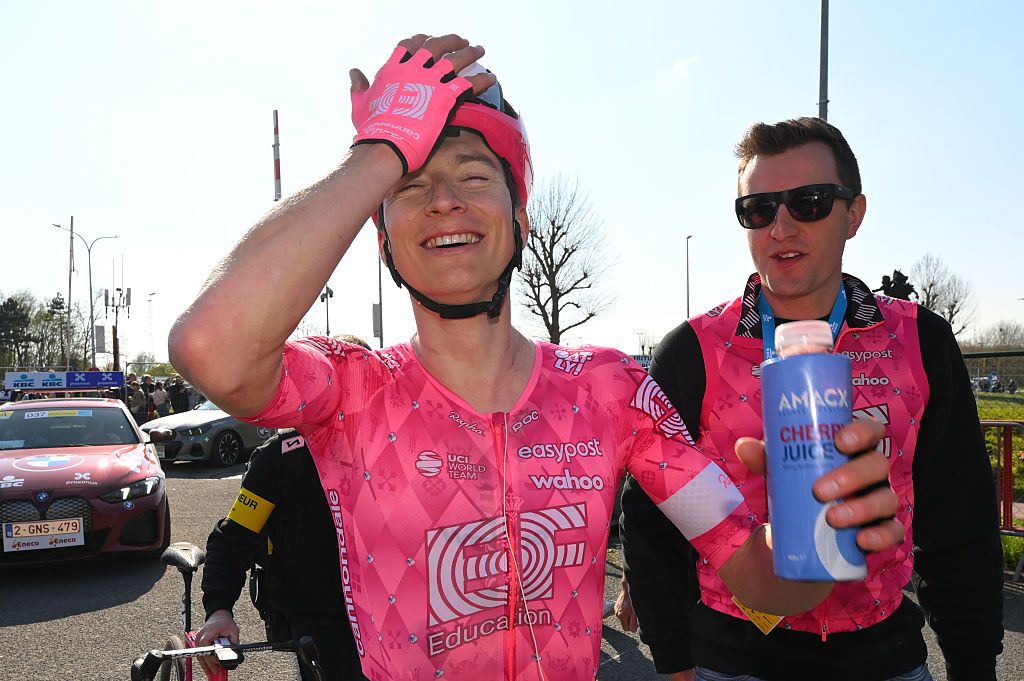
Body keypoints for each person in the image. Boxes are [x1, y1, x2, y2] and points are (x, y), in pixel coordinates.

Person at [169, 36, 900, 681]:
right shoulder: (352, 389)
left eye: (474, 175)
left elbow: (760, 576)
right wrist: (379, 151)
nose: (444, 200)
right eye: (410, 187)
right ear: (382, 237)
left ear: (521, 218)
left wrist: (819, 534)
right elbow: (210, 348)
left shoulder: (610, 389)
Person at [617, 117, 1003, 681]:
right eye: (759, 209)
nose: (781, 227)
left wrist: (974, 665)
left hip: (884, 654)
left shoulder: (921, 339)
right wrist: (675, 662)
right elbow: (651, 520)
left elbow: (959, 516)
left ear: (855, 215)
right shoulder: (693, 350)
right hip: (733, 656)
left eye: (811, 202)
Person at [197, 428, 367, 681]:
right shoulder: (282, 456)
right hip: (317, 615)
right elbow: (233, 539)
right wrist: (219, 609)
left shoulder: (411, 443)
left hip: (406, 612)